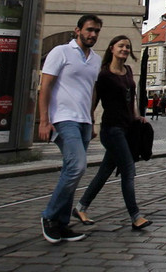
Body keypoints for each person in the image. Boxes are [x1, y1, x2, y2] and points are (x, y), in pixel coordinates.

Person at [74, 35, 152, 231]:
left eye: (127, 46)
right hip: (111, 129)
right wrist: (90, 124)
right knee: (128, 169)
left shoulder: (128, 71)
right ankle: (135, 216)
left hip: (127, 129)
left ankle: (81, 207)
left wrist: (137, 117)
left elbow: (131, 99)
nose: (125, 49)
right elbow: (93, 101)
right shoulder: (103, 75)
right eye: (121, 46)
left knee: (105, 171)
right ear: (111, 49)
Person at [39, 14, 103, 244]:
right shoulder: (60, 52)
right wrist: (44, 120)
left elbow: (92, 91)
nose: (92, 34)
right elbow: (45, 86)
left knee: (71, 170)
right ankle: (49, 216)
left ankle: (61, 224)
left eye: (96, 31)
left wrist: (93, 120)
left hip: (84, 120)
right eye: (89, 30)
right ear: (77, 30)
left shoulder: (95, 59)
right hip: (63, 118)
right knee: (77, 167)